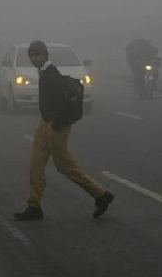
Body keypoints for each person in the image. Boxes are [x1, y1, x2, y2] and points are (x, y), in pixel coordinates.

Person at [14, 40, 114, 221]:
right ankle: (33, 206)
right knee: (36, 165)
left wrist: (56, 124)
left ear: (45, 55)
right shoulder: (44, 72)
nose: (35, 58)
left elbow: (62, 101)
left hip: (55, 127)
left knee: (65, 167)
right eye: (32, 55)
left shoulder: (51, 74)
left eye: (38, 54)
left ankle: (101, 195)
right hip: (44, 125)